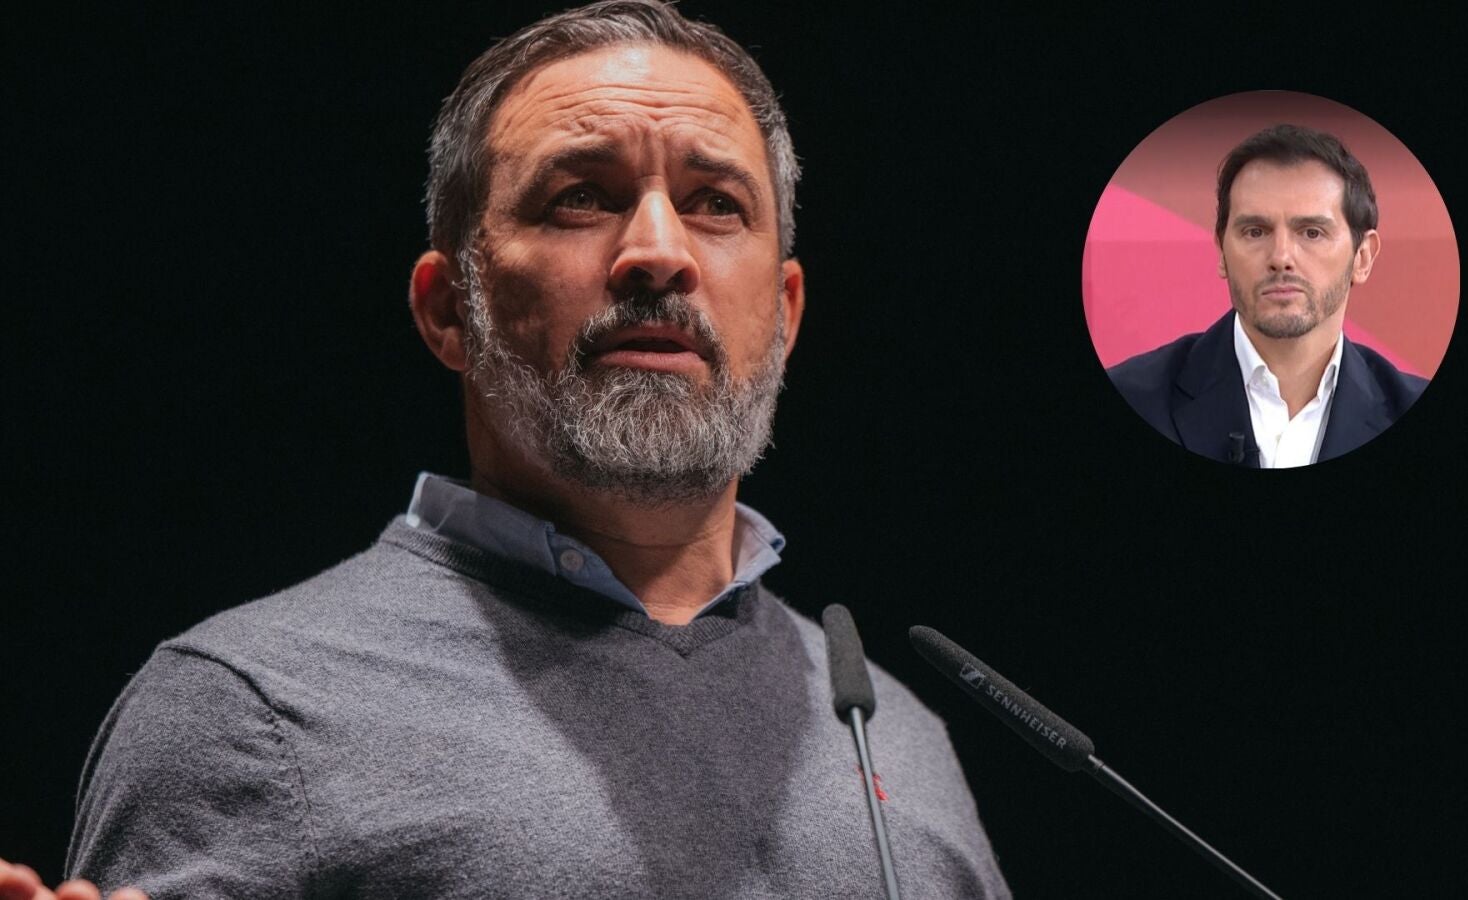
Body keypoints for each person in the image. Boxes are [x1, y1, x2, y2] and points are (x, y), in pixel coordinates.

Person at [6, 2, 1011, 897]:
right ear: (452, 309)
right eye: (581, 196)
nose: (658, 251)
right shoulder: (252, 709)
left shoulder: (896, 737)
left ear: (784, 314)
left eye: (716, 203)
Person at [1107, 124, 1428, 468]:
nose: (1281, 257)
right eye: (1255, 232)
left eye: (1312, 233)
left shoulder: (1408, 405)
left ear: (1362, 258)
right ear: (1222, 253)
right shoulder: (1132, 398)